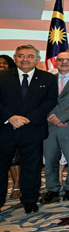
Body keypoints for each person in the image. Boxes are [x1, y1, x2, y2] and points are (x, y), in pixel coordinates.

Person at [0, 45, 58, 214]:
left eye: (30, 56)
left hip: (33, 129)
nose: (25, 59)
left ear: (38, 59)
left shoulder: (48, 78)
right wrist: (11, 117)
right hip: (5, 129)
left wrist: (28, 119)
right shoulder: (2, 76)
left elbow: (50, 101)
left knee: (32, 168)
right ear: (15, 58)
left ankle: (30, 200)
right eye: (21, 56)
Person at [42, 51, 69, 203]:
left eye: (68, 60)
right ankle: (52, 189)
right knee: (50, 159)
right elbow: (41, 100)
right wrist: (50, 116)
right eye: (61, 60)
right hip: (49, 125)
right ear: (56, 62)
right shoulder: (48, 79)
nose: (64, 62)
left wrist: (61, 117)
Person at [0, 54, 22, 200]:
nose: (1, 66)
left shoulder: (16, 80)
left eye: (4, 63)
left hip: (12, 122)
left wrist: (10, 117)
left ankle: (17, 186)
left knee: (14, 157)